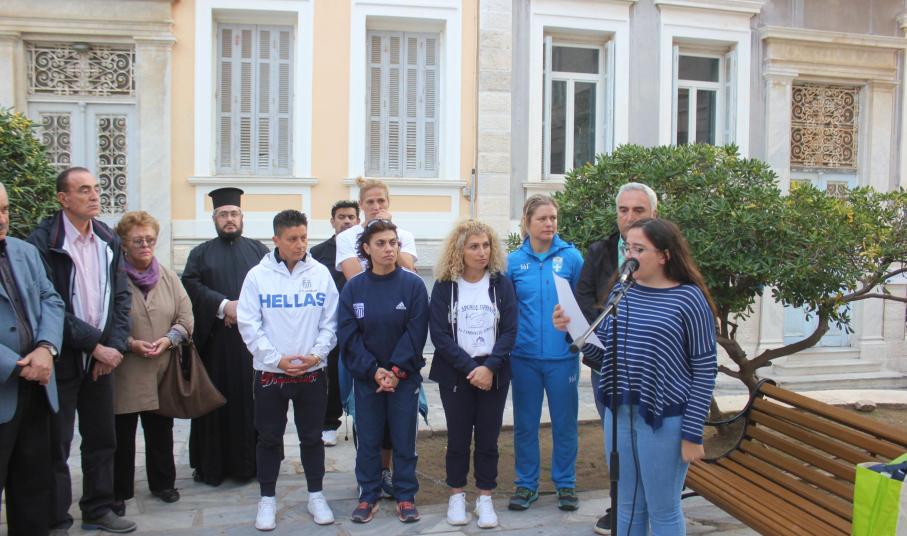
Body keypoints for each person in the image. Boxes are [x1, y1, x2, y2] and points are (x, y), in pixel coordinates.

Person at [553, 218, 718, 535]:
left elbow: (704, 369)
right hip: (620, 414)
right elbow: (604, 353)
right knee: (627, 506)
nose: (630, 256)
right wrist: (572, 328)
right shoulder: (622, 291)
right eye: (628, 248)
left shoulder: (689, 299)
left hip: (664, 418)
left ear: (664, 255)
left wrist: (692, 433)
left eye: (639, 249)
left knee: (663, 509)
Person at [28, 167, 136, 534]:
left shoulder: (108, 238)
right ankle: (56, 517)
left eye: (96, 188)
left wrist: (114, 347)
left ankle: (99, 508)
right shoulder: (43, 242)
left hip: (102, 360)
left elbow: (121, 298)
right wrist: (95, 345)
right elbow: (49, 306)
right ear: (63, 199)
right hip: (62, 358)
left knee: (102, 438)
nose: (94, 196)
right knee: (55, 443)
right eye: (84, 190)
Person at [238, 210, 339, 530]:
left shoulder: (320, 274)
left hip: (312, 373)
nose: (300, 244)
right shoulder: (258, 276)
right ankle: (267, 499)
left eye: (304, 237)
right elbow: (249, 324)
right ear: (276, 240)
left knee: (312, 438)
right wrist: (275, 359)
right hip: (271, 375)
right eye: (292, 239)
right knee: (269, 438)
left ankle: (316, 495)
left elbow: (331, 322)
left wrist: (316, 354)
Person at [574, 182, 657, 534]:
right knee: (617, 442)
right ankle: (620, 505)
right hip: (606, 364)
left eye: (638, 210)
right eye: (624, 210)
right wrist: (608, 335)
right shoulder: (600, 250)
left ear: (654, 214)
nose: (630, 217)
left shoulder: (666, 254)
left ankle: (652, 505)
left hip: (651, 370)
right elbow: (584, 298)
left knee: (650, 440)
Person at [338, 219, 428, 524]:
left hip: (404, 379)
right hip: (368, 380)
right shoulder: (354, 288)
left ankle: (405, 496)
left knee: (404, 440)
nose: (388, 248)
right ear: (366, 248)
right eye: (381, 243)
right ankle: (368, 495)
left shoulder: (413, 285)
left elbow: (416, 333)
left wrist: (394, 370)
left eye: (393, 243)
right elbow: (348, 336)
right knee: (368, 440)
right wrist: (374, 371)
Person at [428, 219, 516, 529]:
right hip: (457, 373)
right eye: (474, 246)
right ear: (459, 251)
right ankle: (456, 495)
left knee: (489, 438)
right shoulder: (445, 285)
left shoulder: (501, 284)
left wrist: (489, 367)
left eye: (486, 245)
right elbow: (439, 334)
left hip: (494, 372)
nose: (482, 252)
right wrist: (471, 369)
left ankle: (484, 497)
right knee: (458, 438)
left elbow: (510, 330)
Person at [334, 177, 419, 496]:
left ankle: (395, 481)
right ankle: (368, 483)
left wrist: (395, 370)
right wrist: (374, 370)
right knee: (367, 425)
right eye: (370, 202)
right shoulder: (347, 238)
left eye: (381, 201)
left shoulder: (404, 236)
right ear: (361, 205)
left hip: (401, 365)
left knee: (400, 430)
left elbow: (408, 272)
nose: (376, 206)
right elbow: (358, 278)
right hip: (366, 357)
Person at [181, 187, 269, 486]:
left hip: (250, 344)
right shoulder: (200, 253)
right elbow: (191, 285)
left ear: (242, 217)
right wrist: (222, 306)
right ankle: (212, 467)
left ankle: (249, 465)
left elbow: (271, 285)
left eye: (233, 214)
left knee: (249, 403)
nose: (229, 219)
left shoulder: (259, 252)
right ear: (214, 219)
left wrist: (242, 308)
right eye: (223, 215)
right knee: (214, 403)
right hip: (215, 344)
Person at [505, 194, 584, 512]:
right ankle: (526, 484)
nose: (549, 223)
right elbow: (507, 309)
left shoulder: (572, 258)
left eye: (553, 218)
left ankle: (566, 484)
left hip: (562, 358)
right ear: (527, 222)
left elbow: (584, 304)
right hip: (523, 358)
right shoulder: (513, 262)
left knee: (565, 424)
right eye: (542, 218)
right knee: (525, 424)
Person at [111, 211, 193, 515]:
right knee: (122, 435)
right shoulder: (114, 276)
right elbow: (105, 320)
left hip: (162, 368)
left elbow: (186, 317)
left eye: (150, 239)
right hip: (125, 370)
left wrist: (169, 339)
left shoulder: (168, 277)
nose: (145, 245)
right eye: (137, 240)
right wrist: (129, 343)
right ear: (124, 244)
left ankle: (163, 483)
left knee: (160, 430)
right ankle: (119, 490)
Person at [0, 182, 65, 536]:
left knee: (33, 490)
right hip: (8, 384)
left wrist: (45, 348)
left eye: (5, 209)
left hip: (37, 390)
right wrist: (17, 365)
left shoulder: (24, 251)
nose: (2, 218)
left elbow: (51, 300)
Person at [309, 200, 359, 447]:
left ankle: (361, 420)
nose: (346, 221)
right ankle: (329, 424)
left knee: (362, 371)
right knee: (330, 375)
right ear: (332, 221)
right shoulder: (318, 253)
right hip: (330, 323)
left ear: (358, 221)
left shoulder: (367, 247)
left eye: (351, 217)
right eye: (341, 217)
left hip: (361, 322)